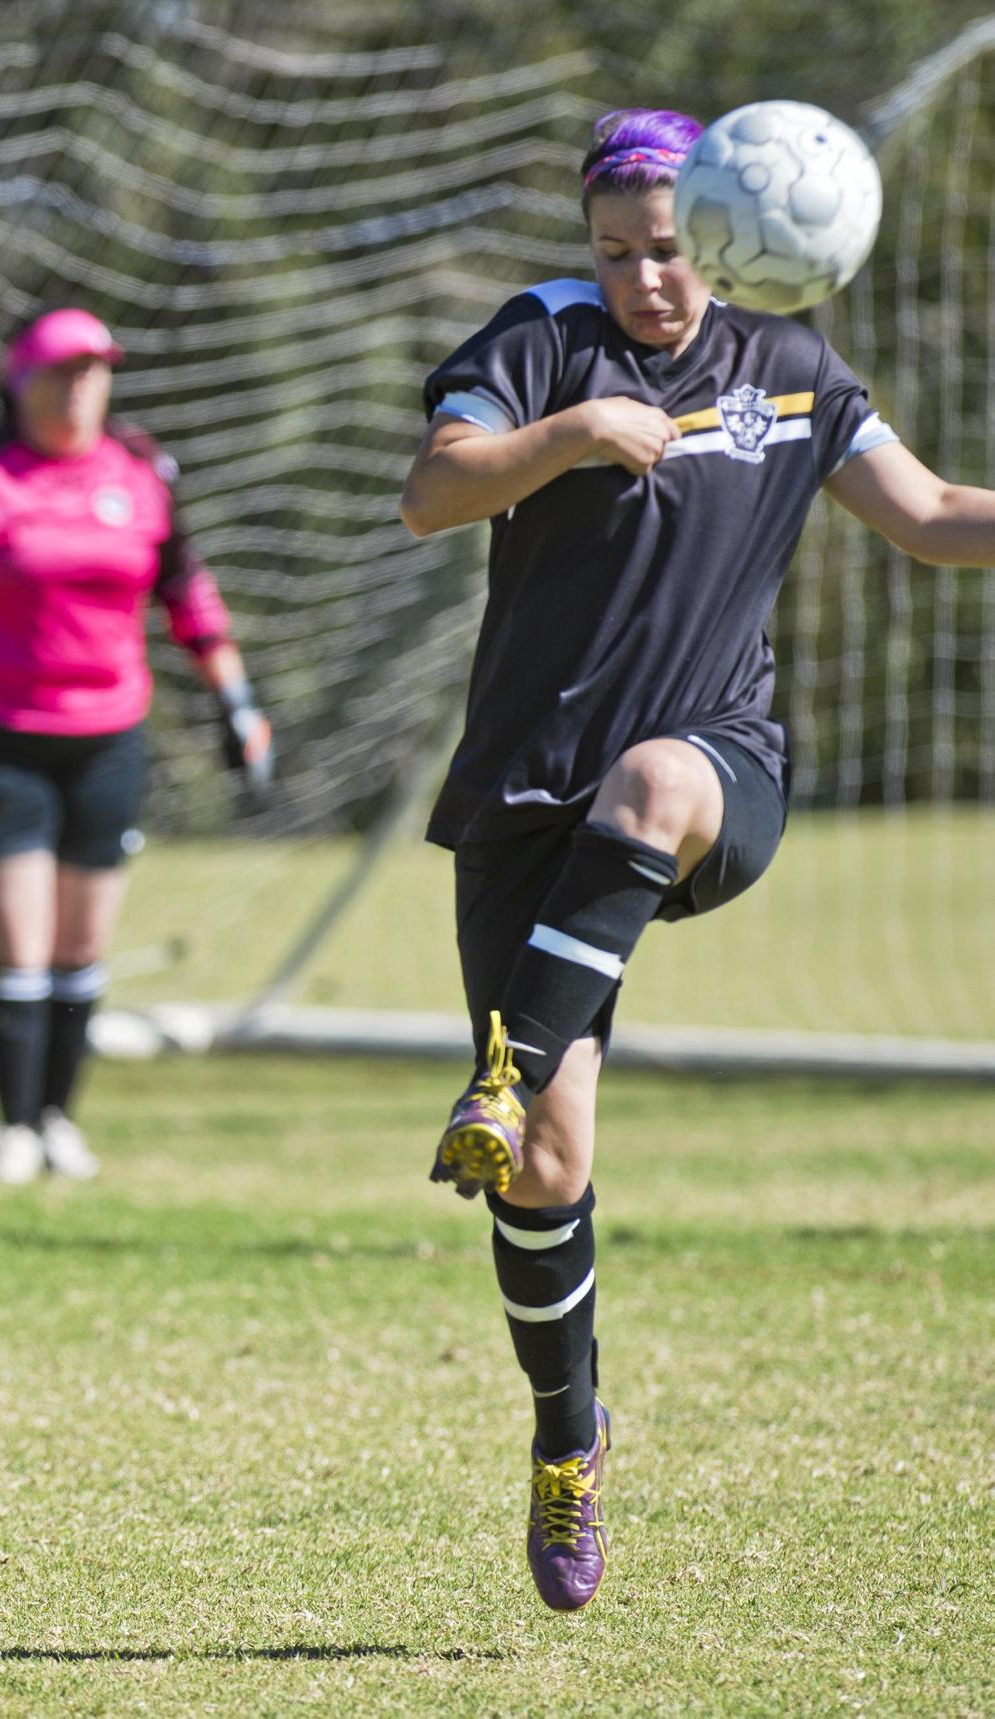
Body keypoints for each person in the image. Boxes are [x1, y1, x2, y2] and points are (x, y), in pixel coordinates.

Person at [401, 107, 995, 1613]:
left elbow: (927, 518)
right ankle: (566, 1437)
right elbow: (431, 488)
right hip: (525, 799)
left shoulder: (791, 366)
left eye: (664, 253)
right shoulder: (544, 338)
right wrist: (567, 436)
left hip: (709, 769)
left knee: (657, 776)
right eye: (614, 254)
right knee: (545, 1161)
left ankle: (498, 1064)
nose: (642, 282)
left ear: (723, 239)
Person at [0, 308, 272, 1185]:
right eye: (62, 371)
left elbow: (189, 595)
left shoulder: (141, 474)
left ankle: (60, 1117)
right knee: (17, 942)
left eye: (95, 370)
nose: (80, 387)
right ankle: (14, 1127)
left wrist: (238, 704)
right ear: (18, 379)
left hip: (109, 737)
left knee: (79, 946)